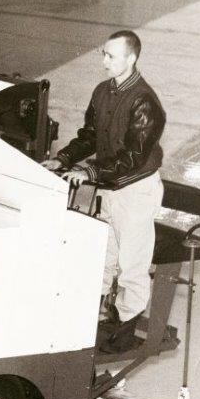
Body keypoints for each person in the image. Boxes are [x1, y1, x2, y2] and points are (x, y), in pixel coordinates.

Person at [43, 30, 165, 353]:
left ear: (131, 58)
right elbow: (90, 136)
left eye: (111, 56)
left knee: (132, 260)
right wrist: (64, 158)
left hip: (136, 189)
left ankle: (126, 326)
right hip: (110, 187)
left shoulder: (145, 103)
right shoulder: (102, 92)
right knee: (104, 253)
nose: (104, 61)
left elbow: (131, 158)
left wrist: (90, 171)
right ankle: (98, 316)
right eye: (104, 54)